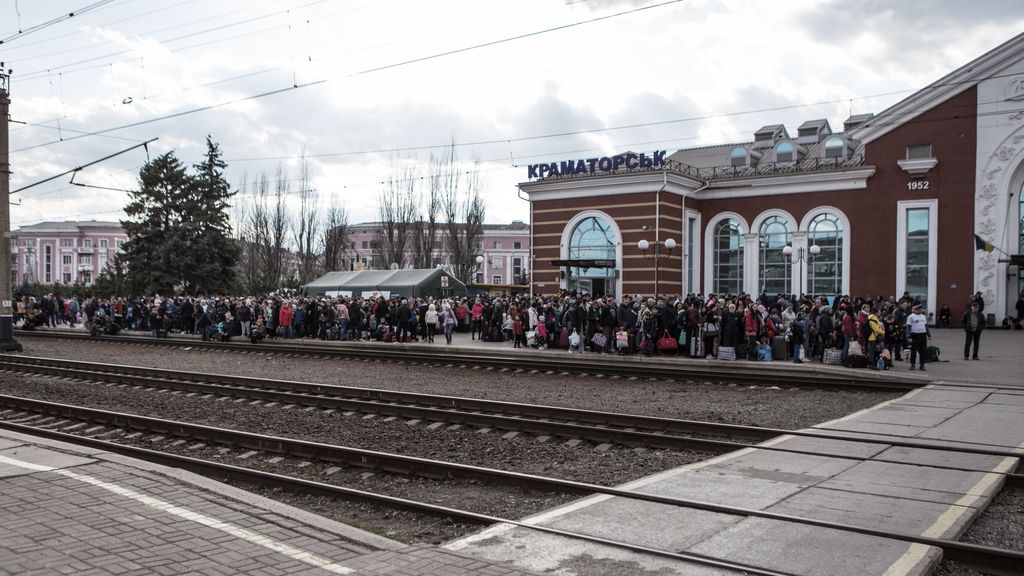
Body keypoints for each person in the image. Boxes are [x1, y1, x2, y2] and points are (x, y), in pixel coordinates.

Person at [905, 303, 930, 371]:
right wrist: (909, 336)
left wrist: (929, 334)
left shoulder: (923, 316)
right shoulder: (911, 317)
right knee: (914, 350)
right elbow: (908, 327)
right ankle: (912, 364)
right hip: (914, 335)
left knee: (922, 350)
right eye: (918, 309)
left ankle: (922, 365)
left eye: (920, 309)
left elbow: (926, 326)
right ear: (914, 309)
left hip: (922, 335)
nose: (919, 310)